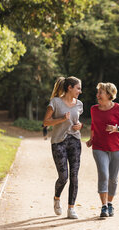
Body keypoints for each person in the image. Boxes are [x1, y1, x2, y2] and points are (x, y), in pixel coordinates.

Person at [86, 82, 119, 218]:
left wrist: (116, 129)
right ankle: (104, 206)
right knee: (103, 175)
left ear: (109, 95)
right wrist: (91, 139)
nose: (98, 95)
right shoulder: (94, 109)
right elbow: (94, 126)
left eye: (101, 92)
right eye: (98, 92)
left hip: (117, 148)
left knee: (113, 178)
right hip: (99, 147)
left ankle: (110, 203)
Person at [43, 76, 83, 219]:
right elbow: (46, 122)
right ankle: (57, 198)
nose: (80, 91)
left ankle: (71, 208)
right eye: (78, 88)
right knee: (63, 177)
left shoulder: (79, 104)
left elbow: (77, 121)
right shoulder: (55, 102)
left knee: (74, 176)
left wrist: (80, 126)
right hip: (59, 142)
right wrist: (62, 119)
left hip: (75, 141)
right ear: (69, 88)